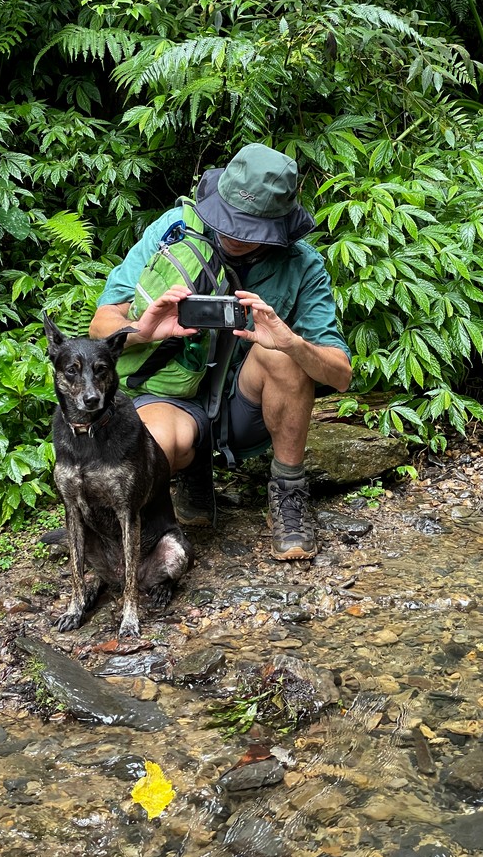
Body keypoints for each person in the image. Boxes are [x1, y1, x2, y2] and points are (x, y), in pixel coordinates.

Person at [89, 142, 352, 560]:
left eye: (248, 229)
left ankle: (288, 492)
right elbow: (101, 325)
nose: (233, 235)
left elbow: (340, 374)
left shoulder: (303, 264)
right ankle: (191, 472)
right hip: (170, 394)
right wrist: (143, 330)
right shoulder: (172, 230)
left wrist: (292, 343)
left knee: (285, 358)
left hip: (243, 407)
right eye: (228, 221)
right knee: (143, 456)